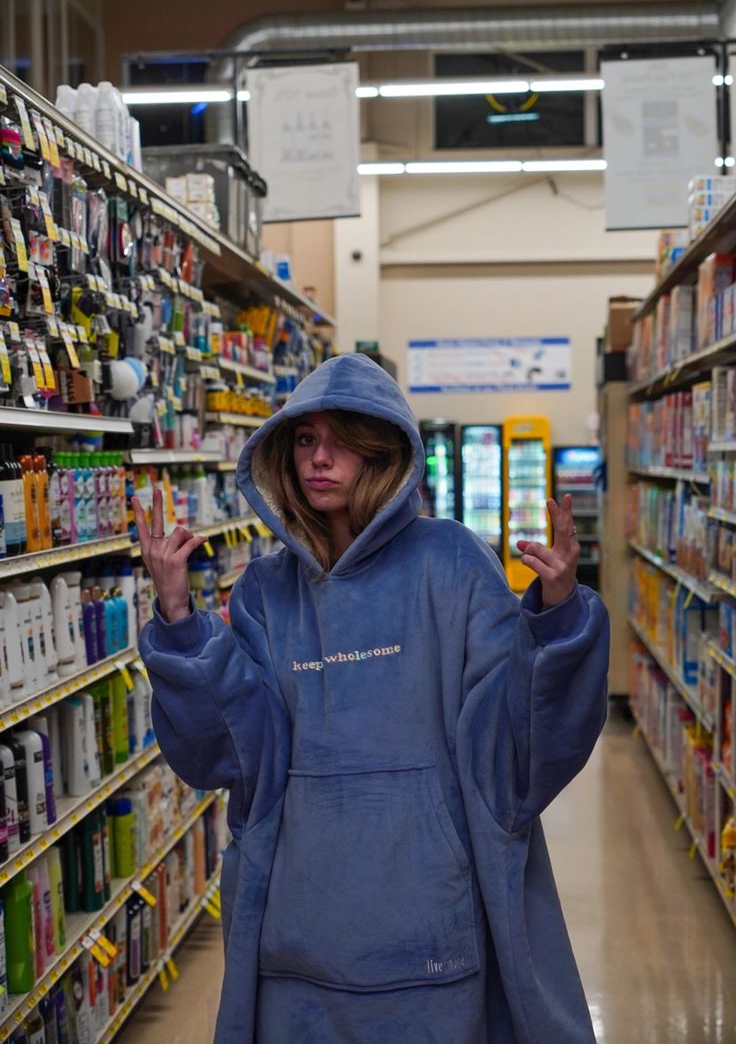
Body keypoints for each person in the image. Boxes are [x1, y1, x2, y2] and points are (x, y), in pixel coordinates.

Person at [135, 352, 609, 1044]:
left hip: (433, 934)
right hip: (299, 938)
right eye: (303, 439)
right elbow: (238, 756)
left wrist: (560, 614)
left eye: (340, 440)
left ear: (381, 448)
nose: (317, 459)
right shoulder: (267, 591)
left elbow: (517, 747)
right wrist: (179, 626)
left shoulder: (451, 562)